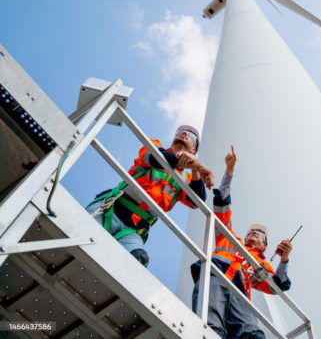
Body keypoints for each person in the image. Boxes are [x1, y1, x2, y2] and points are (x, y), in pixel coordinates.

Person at [192, 146, 293, 338]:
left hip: (240, 292)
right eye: (251, 231)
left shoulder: (261, 264)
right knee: (210, 325)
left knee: (252, 334)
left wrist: (285, 259)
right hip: (216, 275)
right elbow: (222, 202)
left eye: (259, 234)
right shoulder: (228, 238)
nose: (253, 233)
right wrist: (229, 170)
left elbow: (278, 285)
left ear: (264, 246)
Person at [86, 125, 214, 267]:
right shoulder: (155, 146)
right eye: (180, 132)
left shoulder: (186, 178)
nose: (183, 133)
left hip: (133, 230)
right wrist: (199, 166)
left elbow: (197, 201)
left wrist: (196, 168)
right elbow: (156, 158)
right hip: (111, 209)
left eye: (190, 135)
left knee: (137, 262)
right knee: (80, 232)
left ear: (193, 150)